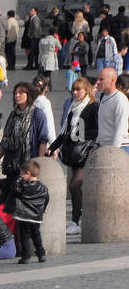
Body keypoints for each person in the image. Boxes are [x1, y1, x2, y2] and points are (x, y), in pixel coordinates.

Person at [47, 77, 98, 234]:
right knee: (77, 188)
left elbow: (98, 130)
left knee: (74, 185)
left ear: (86, 90)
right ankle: (79, 220)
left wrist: (80, 133)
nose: (75, 93)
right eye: (74, 90)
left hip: (87, 152)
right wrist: (52, 148)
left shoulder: (93, 106)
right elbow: (64, 133)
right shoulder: (73, 108)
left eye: (79, 89)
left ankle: (76, 220)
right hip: (75, 153)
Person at [0, 82, 49, 179]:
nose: (17, 95)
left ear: (29, 95)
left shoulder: (37, 114)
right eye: (15, 93)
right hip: (12, 164)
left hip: (29, 164)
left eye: (21, 93)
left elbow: (43, 140)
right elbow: (5, 140)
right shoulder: (13, 114)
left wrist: (39, 163)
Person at [8, 159, 50, 263]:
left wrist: (17, 181)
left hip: (24, 216)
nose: (21, 176)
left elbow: (16, 192)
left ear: (28, 173)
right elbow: (46, 199)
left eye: (22, 174)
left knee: (24, 236)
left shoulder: (24, 186)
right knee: (36, 235)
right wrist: (41, 211)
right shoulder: (43, 187)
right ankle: (41, 254)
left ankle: (26, 256)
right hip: (36, 217)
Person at [95, 67, 129, 150]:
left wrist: (113, 152)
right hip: (105, 147)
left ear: (112, 81)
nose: (98, 82)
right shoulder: (104, 97)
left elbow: (120, 129)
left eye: (101, 79)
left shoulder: (120, 100)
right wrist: (96, 144)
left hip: (120, 147)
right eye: (98, 78)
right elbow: (102, 126)